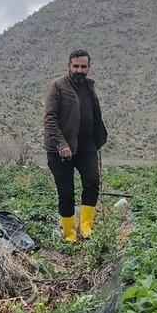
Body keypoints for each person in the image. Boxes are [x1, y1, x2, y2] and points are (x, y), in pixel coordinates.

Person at [43, 49, 108, 243]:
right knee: (66, 192)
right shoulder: (57, 86)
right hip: (60, 149)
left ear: (89, 67)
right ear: (69, 66)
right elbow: (50, 118)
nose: (79, 70)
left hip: (86, 146)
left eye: (83, 67)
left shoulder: (89, 86)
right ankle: (70, 236)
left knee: (92, 182)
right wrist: (61, 144)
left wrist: (98, 139)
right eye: (76, 66)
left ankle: (86, 229)